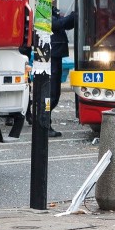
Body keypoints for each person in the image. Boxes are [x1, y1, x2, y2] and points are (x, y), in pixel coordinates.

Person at [49, 7, 76, 138]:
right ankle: (44, 124)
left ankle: (44, 123)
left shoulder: (53, 12)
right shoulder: (43, 11)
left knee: (54, 94)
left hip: (56, 55)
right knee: (51, 95)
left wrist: (74, 17)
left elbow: (67, 24)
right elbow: (58, 24)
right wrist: (73, 15)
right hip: (51, 57)